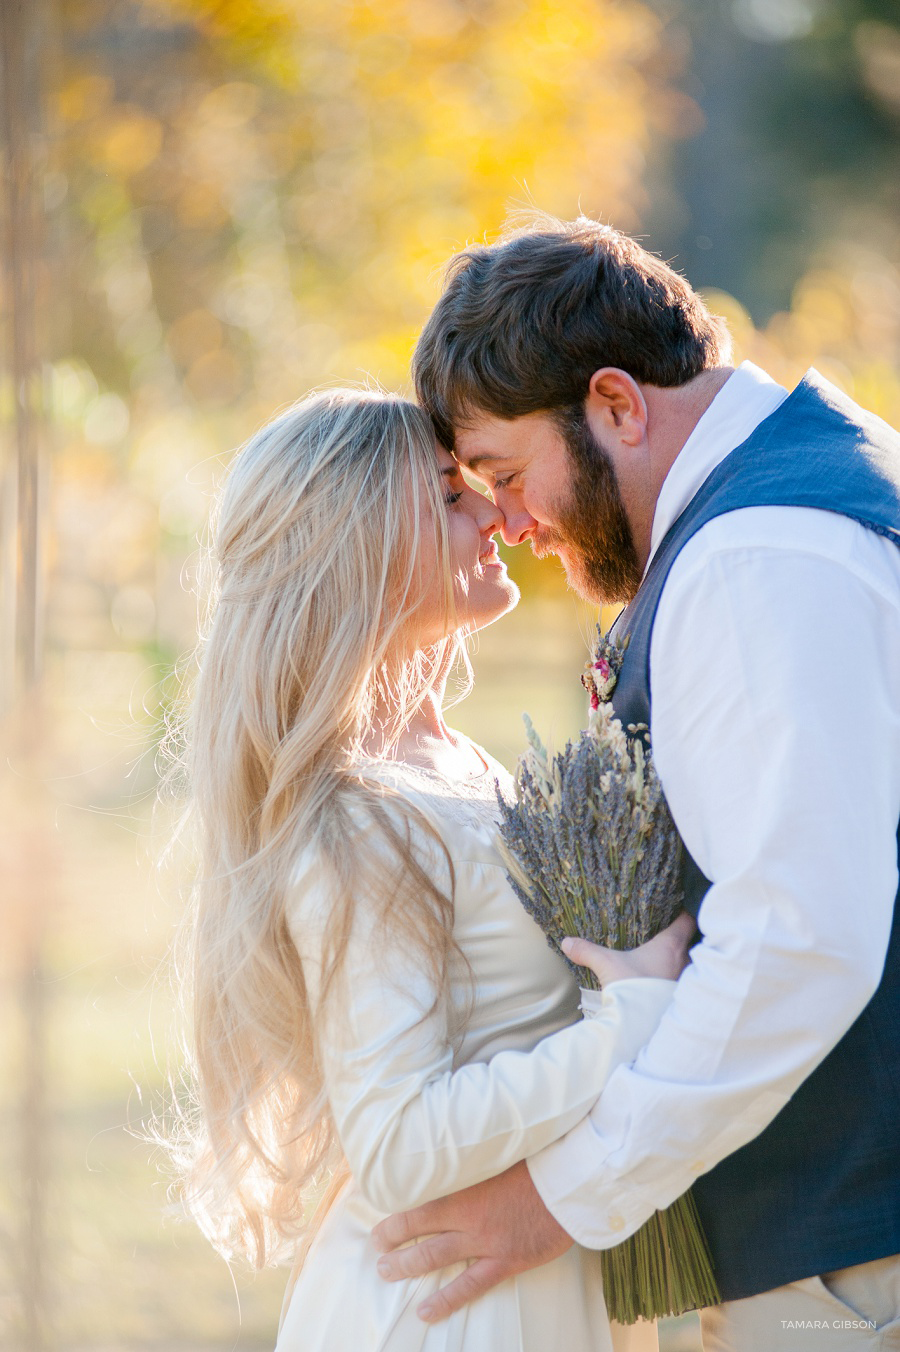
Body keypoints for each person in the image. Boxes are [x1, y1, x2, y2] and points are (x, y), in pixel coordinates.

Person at [373, 217, 900, 1352]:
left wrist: (563, 1195)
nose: (507, 525)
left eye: (509, 476)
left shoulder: (760, 558)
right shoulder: (815, 490)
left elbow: (798, 937)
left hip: (852, 1262)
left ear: (616, 404)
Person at [168, 386, 694, 1352]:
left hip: (527, 1286)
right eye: (450, 497)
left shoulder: (459, 767)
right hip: (447, 1315)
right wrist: (631, 1025)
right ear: (360, 543)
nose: (495, 511)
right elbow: (403, 1147)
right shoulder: (362, 817)